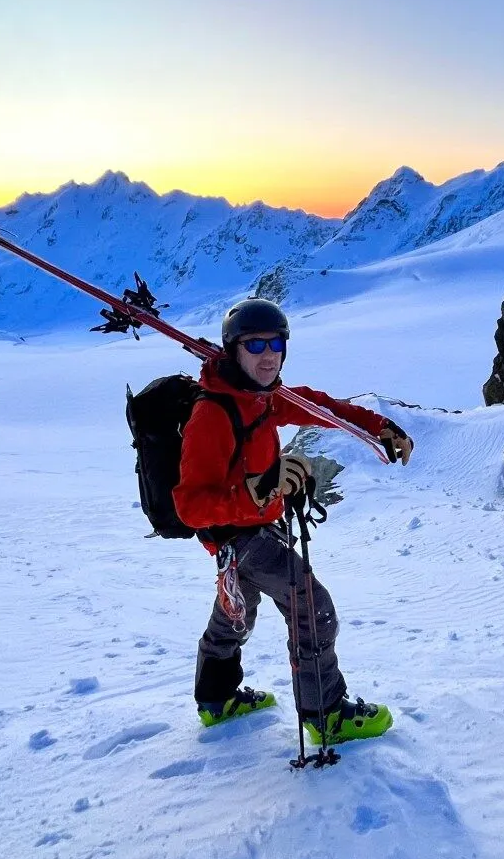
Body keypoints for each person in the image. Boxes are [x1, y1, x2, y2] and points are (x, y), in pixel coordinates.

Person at [173, 297, 413, 744]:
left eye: (277, 343)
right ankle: (326, 713)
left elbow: (321, 406)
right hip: (237, 533)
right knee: (311, 606)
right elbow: (191, 506)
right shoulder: (213, 414)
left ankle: (216, 699)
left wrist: (376, 425)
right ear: (233, 350)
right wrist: (258, 489)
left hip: (255, 525)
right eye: (256, 344)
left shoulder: (264, 397)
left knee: (235, 611)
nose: (269, 354)